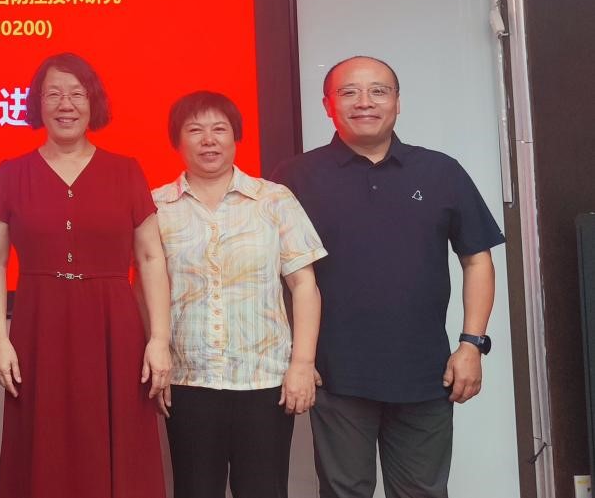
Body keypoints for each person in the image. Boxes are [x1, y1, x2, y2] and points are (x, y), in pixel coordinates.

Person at [270, 56, 503, 498]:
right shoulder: (293, 178)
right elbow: (273, 273)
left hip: (426, 372)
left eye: (378, 91)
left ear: (398, 102)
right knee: (344, 491)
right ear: (327, 104)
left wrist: (472, 345)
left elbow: (477, 260)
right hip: (335, 373)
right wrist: (297, 358)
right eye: (349, 92)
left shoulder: (441, 171)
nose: (365, 102)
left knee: (423, 492)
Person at [0, 52, 172, 498]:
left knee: (119, 439)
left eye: (76, 94)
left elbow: (150, 258)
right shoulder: (12, 172)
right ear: (38, 103)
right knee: (43, 441)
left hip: (115, 328)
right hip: (38, 327)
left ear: (93, 102)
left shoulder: (126, 170)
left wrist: (159, 339)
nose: (65, 104)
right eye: (53, 94)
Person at [152, 90, 325, 498]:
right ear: (177, 141)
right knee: (194, 490)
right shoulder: (157, 206)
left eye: (219, 129)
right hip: (189, 379)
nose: (208, 140)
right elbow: (146, 290)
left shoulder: (274, 200)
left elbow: (304, 285)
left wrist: (302, 364)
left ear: (236, 137)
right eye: (195, 130)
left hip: (263, 381)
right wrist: (156, 354)